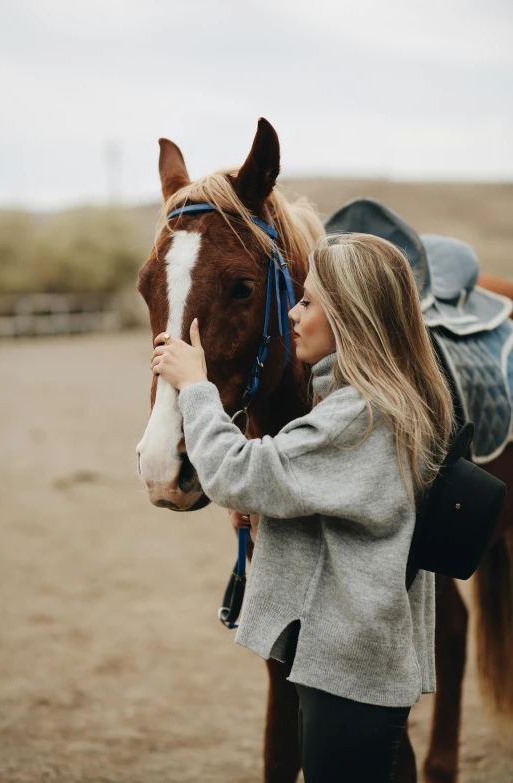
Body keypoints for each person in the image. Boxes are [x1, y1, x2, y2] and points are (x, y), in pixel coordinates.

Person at [150, 232, 454, 782]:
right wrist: (269, 508)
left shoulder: (355, 417)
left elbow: (239, 472)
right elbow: (346, 506)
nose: (293, 313)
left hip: (348, 670)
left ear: (350, 316)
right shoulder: (382, 403)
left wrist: (195, 386)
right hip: (357, 660)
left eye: (309, 301)